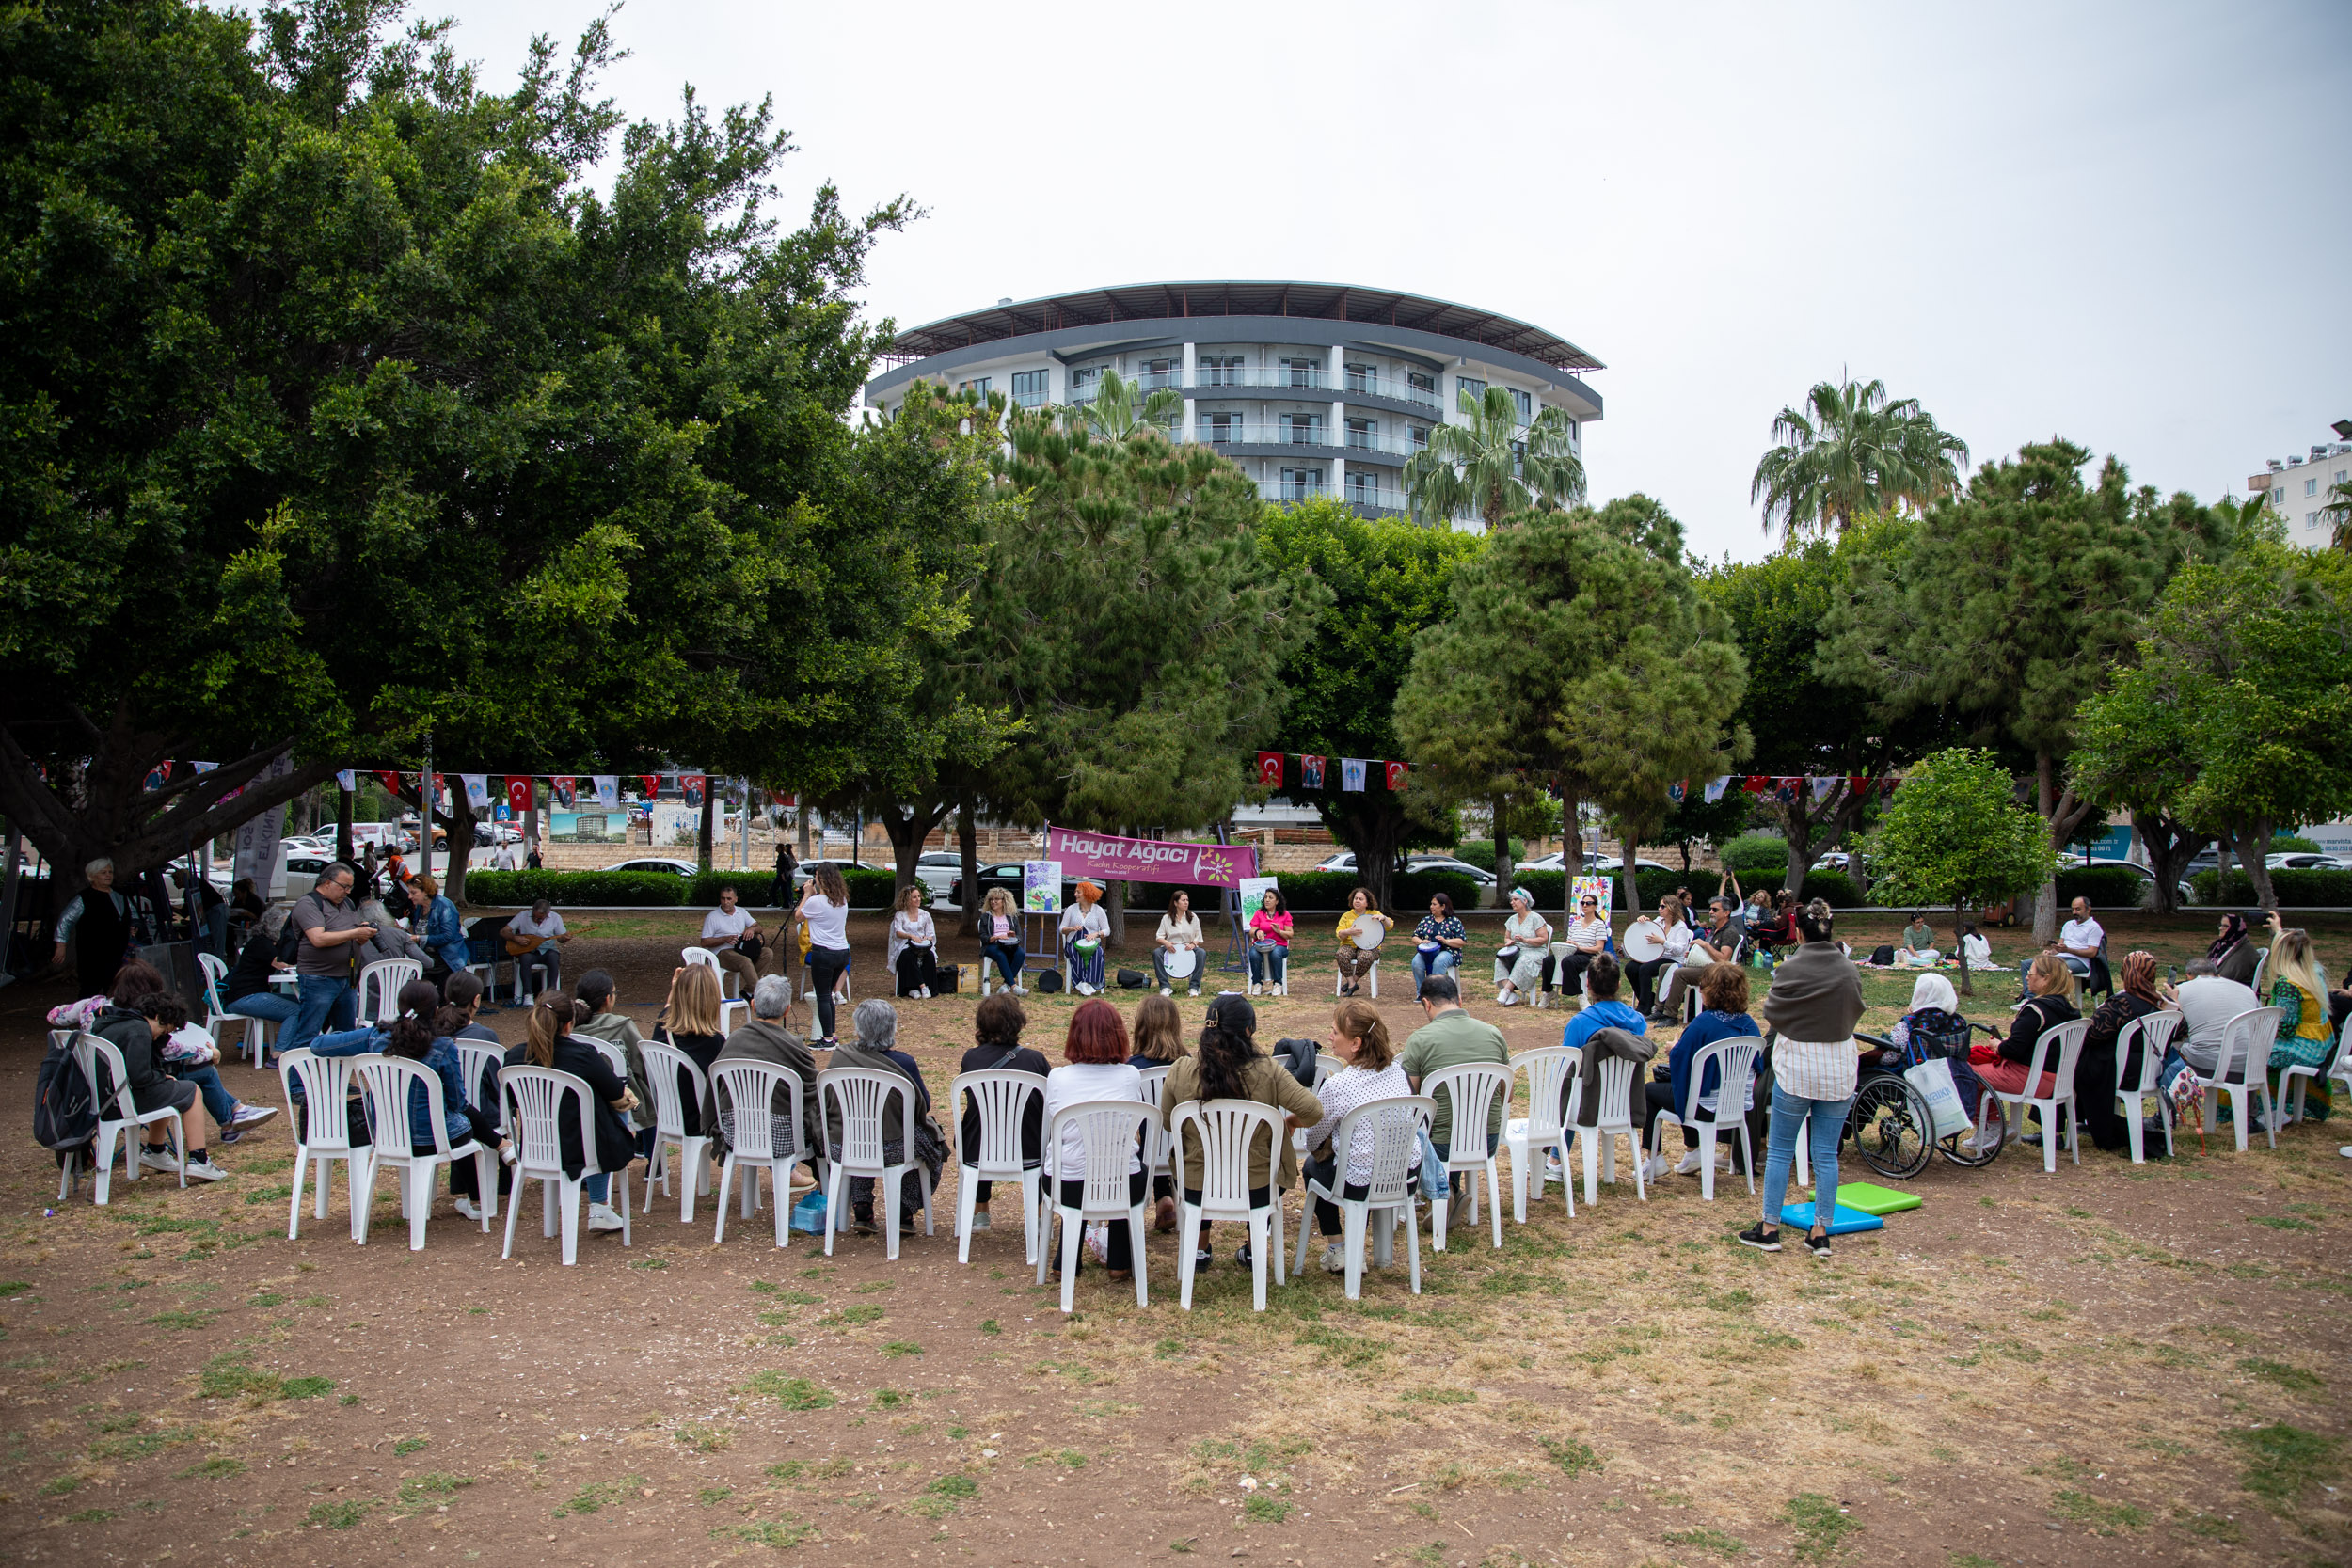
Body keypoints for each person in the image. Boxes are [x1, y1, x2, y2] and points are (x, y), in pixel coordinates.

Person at [310, 980, 515, 1220]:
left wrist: (346, 1036)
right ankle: (480, 1192)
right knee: (464, 1120)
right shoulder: (443, 1046)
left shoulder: (375, 1036)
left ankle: (499, 1149)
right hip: (432, 1138)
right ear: (436, 1010)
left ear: (398, 1006)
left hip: (385, 1134)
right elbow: (457, 1102)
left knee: (462, 1119)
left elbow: (317, 1045)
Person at [1741, 899, 1866, 1259]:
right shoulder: (1847, 969)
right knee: (1825, 1154)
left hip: (1798, 1065)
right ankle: (1820, 1231)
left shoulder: (1791, 967)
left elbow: (1774, 1012)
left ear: (1798, 933)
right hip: (1839, 1065)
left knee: (1780, 1151)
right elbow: (1857, 1007)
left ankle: (1769, 1228)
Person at [1163, 994, 1321, 1270]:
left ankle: (1199, 1250)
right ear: (1248, 1031)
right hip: (1257, 1188)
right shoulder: (1269, 1071)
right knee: (1257, 1164)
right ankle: (1252, 1248)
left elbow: (1168, 1122)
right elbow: (1314, 1110)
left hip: (1196, 1186)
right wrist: (1290, 1123)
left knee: (1205, 1160)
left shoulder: (1181, 1070)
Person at [1035, 999, 1151, 1281]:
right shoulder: (1130, 1076)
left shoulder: (1058, 1078)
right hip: (1122, 1184)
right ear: (1118, 1035)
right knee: (1128, 1169)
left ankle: (1066, 1261)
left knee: (1076, 1166)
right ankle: (1120, 1262)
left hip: (1067, 1185)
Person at [503, 994, 635, 1232]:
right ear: (568, 1024)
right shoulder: (583, 1054)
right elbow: (615, 1091)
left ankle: (590, 1209)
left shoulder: (513, 1057)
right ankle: (599, 1204)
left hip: (536, 1146)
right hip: (581, 1147)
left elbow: (512, 1100)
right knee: (616, 1106)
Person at [1297, 998, 1411, 1274]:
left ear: (1356, 1043)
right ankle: (1357, 1244)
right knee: (1365, 1159)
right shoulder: (1398, 1071)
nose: (1329, 1037)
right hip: (1404, 1174)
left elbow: (1312, 1140)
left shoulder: (1338, 1085)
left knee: (1314, 1167)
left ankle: (1338, 1248)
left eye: (1335, 1032)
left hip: (1360, 1181)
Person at [829, 1000, 945, 1236]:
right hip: (893, 1147)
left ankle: (862, 1207)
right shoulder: (904, 1063)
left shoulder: (840, 1059)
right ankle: (904, 1209)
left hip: (844, 1144)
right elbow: (923, 1106)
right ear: (891, 1028)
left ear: (858, 1028)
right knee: (927, 1144)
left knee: (861, 1133)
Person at [88, 989, 226, 1180]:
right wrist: (160, 1078)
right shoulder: (139, 1031)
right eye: (163, 1030)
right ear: (157, 1017)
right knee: (191, 1091)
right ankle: (199, 1159)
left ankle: (156, 1150)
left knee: (170, 1089)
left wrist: (161, 1079)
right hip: (121, 1103)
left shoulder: (113, 1023)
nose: (158, 1037)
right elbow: (139, 1076)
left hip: (102, 1100)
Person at [1396, 974, 1509, 1206]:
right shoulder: (1493, 1033)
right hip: (1487, 1138)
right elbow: (1506, 1092)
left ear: (1426, 1004)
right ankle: (1450, 1189)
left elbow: (1411, 1101)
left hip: (1440, 1145)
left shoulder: (1420, 1040)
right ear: (1460, 999)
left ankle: (1435, 1190)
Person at [711, 974, 825, 1175]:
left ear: (753, 1005)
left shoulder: (732, 1041)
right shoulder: (795, 1047)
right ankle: (828, 1188)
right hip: (782, 1137)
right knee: (821, 1124)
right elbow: (813, 1094)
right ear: (787, 1010)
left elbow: (716, 1089)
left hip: (736, 1132)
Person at [958, 990, 1049, 1232]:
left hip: (978, 1147)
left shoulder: (971, 1059)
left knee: (985, 1125)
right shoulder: (1035, 1060)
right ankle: (1038, 1213)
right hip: (1029, 1148)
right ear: (1018, 1023)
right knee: (1039, 1130)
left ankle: (980, 1209)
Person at [1659, 963, 1762, 1177]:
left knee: (1653, 1091)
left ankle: (1665, 1157)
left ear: (1710, 991)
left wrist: (1674, 1048)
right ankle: (1695, 1153)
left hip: (1706, 1106)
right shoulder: (1749, 1023)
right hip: (1739, 1104)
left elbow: (1681, 1060)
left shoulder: (1703, 1023)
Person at [1979, 954, 2083, 1140]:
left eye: (2031, 973)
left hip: (2032, 1079)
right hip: (2061, 1079)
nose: (2026, 977)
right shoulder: (2071, 1011)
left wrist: (1998, 1045)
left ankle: (1993, 1126)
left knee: (1965, 1071)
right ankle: (1994, 1126)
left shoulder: (2036, 1010)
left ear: (2046, 978)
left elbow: (2014, 1050)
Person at [278, 863, 375, 1058]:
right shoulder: (308, 903)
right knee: (308, 1033)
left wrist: (363, 935)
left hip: (346, 978)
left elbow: (355, 939)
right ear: (327, 882)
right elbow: (318, 939)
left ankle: (341, 1081)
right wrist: (356, 932)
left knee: (346, 1036)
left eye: (350, 888)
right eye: (343, 886)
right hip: (318, 978)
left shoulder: (347, 904)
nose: (347, 892)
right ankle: (299, 1085)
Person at [2079, 951, 2166, 1151]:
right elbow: (2182, 1030)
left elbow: (2090, 1034)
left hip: (2121, 1074)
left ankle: (2057, 1129)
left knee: (2071, 1065)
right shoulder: (2160, 1004)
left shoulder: (2123, 1004)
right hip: (2152, 1072)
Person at [574, 969, 655, 1155]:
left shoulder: (569, 1026)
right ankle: (654, 1161)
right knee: (647, 1099)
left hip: (579, 1102)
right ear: (607, 999)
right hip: (628, 1104)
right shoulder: (622, 1025)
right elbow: (641, 1063)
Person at [650, 961, 728, 1139]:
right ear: (712, 998)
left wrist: (675, 988)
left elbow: (667, 1011)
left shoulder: (662, 1027)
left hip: (668, 1115)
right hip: (700, 1122)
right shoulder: (712, 1042)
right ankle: (785, 1166)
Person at [1128, 992, 1186, 1227]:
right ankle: (1164, 1197)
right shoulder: (1190, 1065)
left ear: (1141, 1026)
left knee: (1145, 1129)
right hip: (1179, 1151)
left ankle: (1160, 1198)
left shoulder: (1131, 1069)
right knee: (1164, 1132)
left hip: (1140, 1154)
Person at [2163, 958, 2261, 1080]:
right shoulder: (2247, 991)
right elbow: (2258, 1026)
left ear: (2188, 975)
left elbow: (2170, 1028)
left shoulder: (2181, 990)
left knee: (2168, 1048)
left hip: (2206, 1065)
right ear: (2216, 974)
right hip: (2249, 1066)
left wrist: (2173, 1000)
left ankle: (2166, 1096)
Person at [1653, 896, 1747, 1022]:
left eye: (1715, 909)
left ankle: (1671, 1014)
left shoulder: (1729, 932)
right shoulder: (1715, 930)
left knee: (1679, 973)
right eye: (1710, 909)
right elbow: (1708, 953)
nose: (1711, 912)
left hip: (1716, 972)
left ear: (1726, 913)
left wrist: (1705, 945)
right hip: (1704, 966)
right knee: (1665, 967)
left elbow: (1724, 960)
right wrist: (1694, 954)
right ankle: (1659, 1009)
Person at [53, 857, 134, 1002]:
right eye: (103, 872)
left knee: (116, 987)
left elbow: (130, 915)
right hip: (92, 954)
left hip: (117, 951)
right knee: (90, 989)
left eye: (110, 872)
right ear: (93, 877)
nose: (108, 875)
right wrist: (61, 944)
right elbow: (65, 920)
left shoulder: (119, 896)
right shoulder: (84, 898)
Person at [221, 905, 301, 1050]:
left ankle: (296, 1045)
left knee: (306, 1003)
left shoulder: (262, 941)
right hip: (246, 997)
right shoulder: (262, 943)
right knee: (295, 1011)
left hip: (248, 995)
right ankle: (279, 1053)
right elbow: (282, 964)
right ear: (276, 925)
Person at [2263, 927, 2336, 1081]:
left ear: (2279, 953)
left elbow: (2286, 1028)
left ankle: (2263, 1104)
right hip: (2323, 1048)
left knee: (2247, 1059)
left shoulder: (2288, 984)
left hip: (2303, 1051)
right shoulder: (2314, 972)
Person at [795, 865, 854, 1044]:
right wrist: (813, 894)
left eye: (816, 876)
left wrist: (806, 895)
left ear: (822, 879)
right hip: (842, 952)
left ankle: (827, 1038)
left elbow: (798, 916)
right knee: (828, 994)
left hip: (823, 953)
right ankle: (831, 1034)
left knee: (822, 995)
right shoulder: (842, 900)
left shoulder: (815, 902)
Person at [1620, 893, 1689, 1016]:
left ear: (1672, 908)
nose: (1659, 909)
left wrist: (1663, 942)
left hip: (1672, 959)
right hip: (1656, 957)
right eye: (1659, 906)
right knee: (1631, 968)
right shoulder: (1659, 922)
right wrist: (1643, 921)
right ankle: (1647, 999)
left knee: (1645, 969)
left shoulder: (1680, 927)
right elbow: (1650, 928)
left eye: (1663, 906)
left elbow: (1680, 950)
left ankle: (1644, 1007)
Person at [2022, 895, 2104, 994]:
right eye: (2073, 909)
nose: (2074, 912)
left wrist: (2068, 950)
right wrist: (2051, 952)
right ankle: (2029, 998)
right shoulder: (2068, 924)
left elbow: (2092, 953)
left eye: (2078, 909)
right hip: (2060, 957)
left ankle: (2049, 999)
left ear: (2088, 909)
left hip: (2080, 961)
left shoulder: (2094, 927)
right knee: (2027, 964)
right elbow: (2060, 947)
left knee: (2055, 969)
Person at [501, 897, 571, 1004]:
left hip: (548, 950)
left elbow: (560, 938)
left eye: (540, 918)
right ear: (532, 910)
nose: (536, 920)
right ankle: (528, 995)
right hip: (529, 951)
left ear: (548, 914)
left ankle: (550, 994)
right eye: (534, 917)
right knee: (525, 958)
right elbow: (504, 931)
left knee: (554, 957)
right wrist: (515, 938)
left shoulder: (556, 918)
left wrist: (565, 938)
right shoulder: (523, 915)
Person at [700, 886, 766, 998]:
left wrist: (751, 929)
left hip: (740, 948)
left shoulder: (741, 912)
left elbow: (759, 927)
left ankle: (749, 991)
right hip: (722, 952)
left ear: (736, 899)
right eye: (723, 899)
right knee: (744, 961)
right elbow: (704, 942)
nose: (725, 902)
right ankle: (760, 995)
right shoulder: (712, 917)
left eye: (729, 899)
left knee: (767, 953)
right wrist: (724, 939)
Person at [1493, 888, 1551, 1007]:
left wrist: (1525, 940)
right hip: (1517, 951)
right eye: (1511, 900)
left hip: (1535, 951)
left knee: (1523, 960)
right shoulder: (1512, 919)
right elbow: (1507, 937)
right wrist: (1509, 942)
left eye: (1515, 900)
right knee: (1499, 960)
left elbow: (1543, 939)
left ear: (1525, 901)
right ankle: (1511, 993)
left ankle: (1506, 991)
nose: (1512, 902)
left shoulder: (1536, 918)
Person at [1549, 892, 1609, 1004]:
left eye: (1588, 903)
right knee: (1548, 961)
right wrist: (1569, 944)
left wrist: (1580, 948)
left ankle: (1580, 995)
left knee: (1568, 962)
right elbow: (1569, 940)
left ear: (1595, 906)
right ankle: (1548, 991)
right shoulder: (1576, 923)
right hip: (1573, 952)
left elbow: (1599, 948)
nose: (1585, 905)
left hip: (1590, 955)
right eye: (1583, 903)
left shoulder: (1599, 924)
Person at [1334, 887, 1391, 996]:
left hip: (1370, 947)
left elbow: (1389, 926)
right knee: (1341, 954)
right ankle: (1351, 983)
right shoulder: (1346, 916)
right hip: (1349, 945)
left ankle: (1353, 981)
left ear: (1367, 902)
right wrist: (1348, 931)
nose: (1357, 901)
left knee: (1365, 956)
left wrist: (1383, 918)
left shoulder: (1374, 913)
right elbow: (1339, 934)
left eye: (1361, 899)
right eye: (1356, 898)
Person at [1058, 880, 1112, 997]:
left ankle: (1090, 983)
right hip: (1073, 942)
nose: (1075, 895)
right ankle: (1081, 982)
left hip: (1092, 943)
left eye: (1078, 892)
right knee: (1075, 952)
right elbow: (1061, 928)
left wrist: (1096, 934)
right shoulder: (1071, 909)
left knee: (1097, 953)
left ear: (1087, 893)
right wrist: (1071, 928)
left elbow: (1107, 930)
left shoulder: (1098, 910)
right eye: (1075, 892)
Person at [412, 874, 469, 981]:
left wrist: (419, 939)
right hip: (428, 961)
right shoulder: (419, 908)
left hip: (447, 961)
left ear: (425, 892)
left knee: (444, 994)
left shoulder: (444, 906)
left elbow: (448, 936)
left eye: (413, 893)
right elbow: (419, 930)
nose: (410, 897)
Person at [1410, 893, 1467, 997]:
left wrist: (1446, 941)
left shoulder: (1454, 921)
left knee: (1439, 962)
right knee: (1416, 963)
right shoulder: (1426, 920)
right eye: (1431, 904)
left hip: (1448, 952)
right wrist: (1421, 942)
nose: (1431, 907)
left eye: (1434, 904)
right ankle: (1422, 994)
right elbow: (1414, 937)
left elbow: (1462, 941)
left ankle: (1436, 994)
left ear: (1443, 906)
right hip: (1427, 953)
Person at [887, 885, 939, 999]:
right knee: (908, 955)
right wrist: (910, 936)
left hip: (922, 945)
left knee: (929, 955)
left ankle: (927, 986)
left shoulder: (925, 915)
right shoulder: (900, 915)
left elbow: (931, 934)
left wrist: (926, 938)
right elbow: (898, 932)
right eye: (914, 897)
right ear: (907, 900)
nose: (918, 899)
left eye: (919, 896)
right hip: (905, 945)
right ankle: (919, 987)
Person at [1152, 891, 1207, 997]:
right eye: (1183, 900)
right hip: (1171, 948)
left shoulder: (1193, 917)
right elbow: (1159, 937)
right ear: (1176, 903)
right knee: (1157, 953)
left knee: (1201, 953)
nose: (1186, 903)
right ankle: (1165, 987)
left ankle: (1194, 987)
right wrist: (1166, 943)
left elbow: (1199, 938)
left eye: (1187, 900)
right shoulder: (1166, 918)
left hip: (1188, 948)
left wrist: (1193, 945)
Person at [977, 887, 1026, 994]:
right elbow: (983, 937)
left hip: (1009, 945)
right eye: (991, 899)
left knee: (1020, 953)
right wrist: (997, 937)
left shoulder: (1012, 917)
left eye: (996, 899)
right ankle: (1013, 986)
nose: (993, 902)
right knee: (1000, 955)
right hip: (992, 945)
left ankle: (1005, 986)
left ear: (1004, 901)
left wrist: (1013, 936)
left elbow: (1019, 937)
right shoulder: (986, 917)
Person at [1248, 887, 1294, 996]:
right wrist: (1257, 931)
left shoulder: (1285, 914)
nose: (1267, 900)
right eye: (1266, 897)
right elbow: (1252, 930)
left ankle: (1277, 983)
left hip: (1279, 946)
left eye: (1270, 898)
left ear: (1277, 901)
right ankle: (1257, 983)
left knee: (1276, 953)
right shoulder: (1259, 913)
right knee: (1253, 953)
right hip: (1261, 946)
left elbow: (1290, 934)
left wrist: (1279, 931)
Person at [2206, 911, 2259, 989]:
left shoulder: (2245, 952)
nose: (2220, 928)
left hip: (2233, 992)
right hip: (2216, 986)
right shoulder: (2220, 946)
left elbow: (2228, 977)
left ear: (2235, 928)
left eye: (2225, 926)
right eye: (2220, 925)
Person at [771, 840, 798, 910]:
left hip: (782, 875)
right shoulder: (784, 856)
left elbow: (783, 867)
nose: (775, 849)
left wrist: (782, 875)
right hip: (784, 875)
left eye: (777, 847)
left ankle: (783, 903)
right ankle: (786, 903)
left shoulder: (783, 856)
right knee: (785, 889)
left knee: (780, 889)